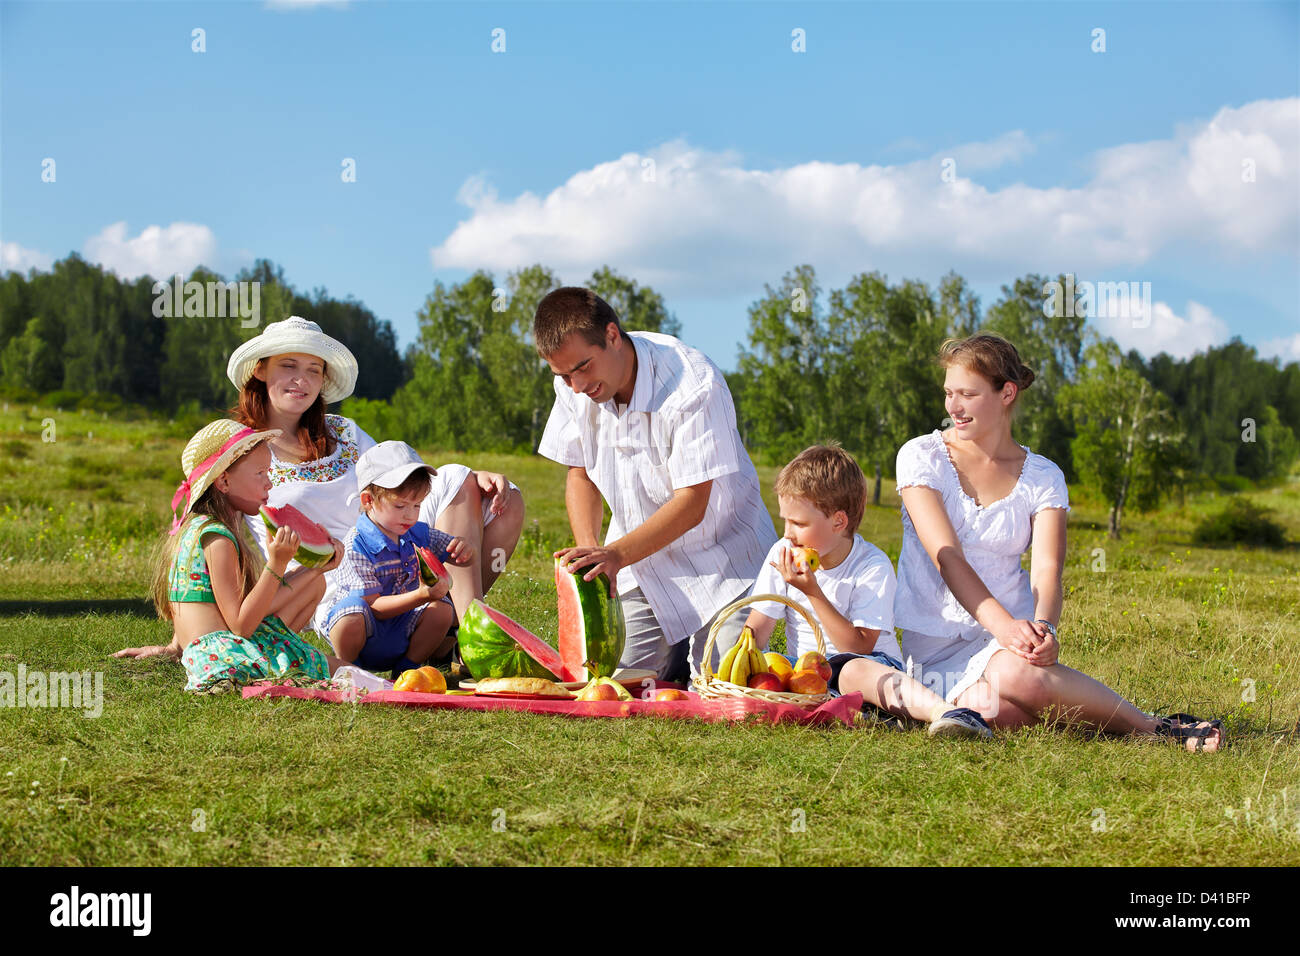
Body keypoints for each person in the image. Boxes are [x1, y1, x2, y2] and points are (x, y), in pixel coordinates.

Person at [114, 316, 524, 659]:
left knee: (483, 488)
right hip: (326, 576)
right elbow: (208, 540)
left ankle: (465, 626)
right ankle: (458, 637)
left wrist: (473, 479)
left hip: (386, 544)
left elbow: (399, 481)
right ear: (260, 369)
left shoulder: (344, 432)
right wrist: (178, 642)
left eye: (313, 370)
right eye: (288, 366)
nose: (302, 380)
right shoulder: (242, 453)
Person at [894, 332, 1223, 752]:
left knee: (1012, 679)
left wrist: (1043, 626)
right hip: (937, 649)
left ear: (1006, 393)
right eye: (948, 393)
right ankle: (1125, 721)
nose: (952, 407)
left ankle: (1156, 728)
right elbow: (948, 557)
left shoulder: (1043, 476)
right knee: (993, 711)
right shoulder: (921, 457)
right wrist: (1006, 627)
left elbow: (1048, 569)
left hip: (1010, 640)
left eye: (968, 394)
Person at [535, 287, 777, 683]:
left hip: (724, 562)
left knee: (721, 685)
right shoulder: (572, 385)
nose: (576, 386)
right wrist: (592, 558)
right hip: (639, 566)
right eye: (563, 376)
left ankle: (691, 658)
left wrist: (613, 555)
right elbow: (579, 473)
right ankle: (674, 657)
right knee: (618, 681)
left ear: (612, 335)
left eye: (582, 368)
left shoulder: (695, 383)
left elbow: (693, 503)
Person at [743, 444, 991, 738]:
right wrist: (740, 658)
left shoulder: (871, 564)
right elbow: (758, 628)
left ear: (838, 522)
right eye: (786, 520)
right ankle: (867, 714)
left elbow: (859, 646)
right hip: (808, 674)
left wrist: (813, 593)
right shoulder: (783, 552)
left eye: (798, 523)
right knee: (773, 673)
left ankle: (947, 713)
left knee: (851, 672)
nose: (787, 533)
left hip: (869, 664)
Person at [138, 418, 352, 691]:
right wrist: (277, 563)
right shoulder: (219, 539)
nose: (269, 484)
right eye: (260, 473)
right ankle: (391, 687)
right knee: (340, 668)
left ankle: (283, 645)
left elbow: (197, 601)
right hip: (229, 658)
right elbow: (240, 626)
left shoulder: (194, 528)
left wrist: (317, 567)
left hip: (204, 654)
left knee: (315, 582)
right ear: (224, 482)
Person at [324, 441, 473, 677]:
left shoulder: (418, 533)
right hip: (364, 634)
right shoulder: (356, 546)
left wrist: (462, 548)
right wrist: (422, 594)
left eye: (417, 505)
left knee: (442, 610)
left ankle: (406, 670)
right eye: (400, 505)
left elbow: (454, 550)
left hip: (404, 630)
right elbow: (375, 608)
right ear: (368, 500)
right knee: (350, 612)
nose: (411, 515)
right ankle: (349, 671)